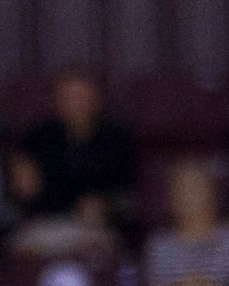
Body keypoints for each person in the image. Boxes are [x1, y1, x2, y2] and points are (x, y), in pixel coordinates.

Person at [7, 70, 136, 254]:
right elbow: (22, 191)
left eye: (81, 97)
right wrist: (21, 185)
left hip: (96, 229)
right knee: (22, 250)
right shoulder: (39, 136)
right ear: (57, 101)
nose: (75, 104)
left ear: (96, 99)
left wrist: (106, 206)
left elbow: (129, 198)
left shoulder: (116, 138)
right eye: (68, 97)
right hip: (46, 225)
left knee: (100, 250)